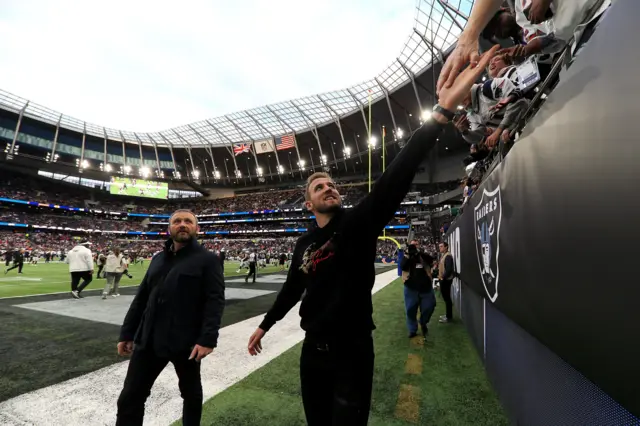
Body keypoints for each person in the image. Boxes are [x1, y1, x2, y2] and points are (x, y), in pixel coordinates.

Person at [246, 45, 499, 426]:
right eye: (320, 187)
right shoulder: (303, 244)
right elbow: (292, 288)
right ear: (308, 204)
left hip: (352, 350)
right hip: (312, 349)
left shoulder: (358, 224)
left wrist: (441, 115)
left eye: (332, 184)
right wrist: (265, 324)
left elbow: (394, 177)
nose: (329, 188)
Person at [116, 209, 225, 426]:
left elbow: (215, 301)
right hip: (148, 339)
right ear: (169, 228)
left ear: (197, 228)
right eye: (177, 221)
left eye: (188, 221)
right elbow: (141, 298)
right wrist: (127, 333)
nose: (182, 224)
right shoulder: (158, 259)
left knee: (191, 394)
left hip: (185, 342)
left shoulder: (208, 260)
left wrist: (207, 339)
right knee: (130, 397)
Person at [401, 240, 436, 338]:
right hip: (411, 288)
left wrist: (418, 253)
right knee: (410, 310)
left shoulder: (423, 255)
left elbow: (431, 260)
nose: (414, 246)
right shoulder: (407, 256)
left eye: (416, 245)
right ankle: (412, 329)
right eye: (412, 245)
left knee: (429, 307)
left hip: (426, 288)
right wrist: (408, 254)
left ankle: (423, 322)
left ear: (419, 245)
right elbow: (402, 266)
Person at [438, 242, 455, 324]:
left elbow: (448, 270)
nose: (440, 248)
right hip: (444, 279)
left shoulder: (448, 256)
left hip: (446, 280)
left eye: (441, 246)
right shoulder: (444, 255)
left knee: (447, 299)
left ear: (446, 247)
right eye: (439, 246)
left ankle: (449, 317)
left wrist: (442, 278)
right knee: (446, 299)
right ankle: (448, 315)